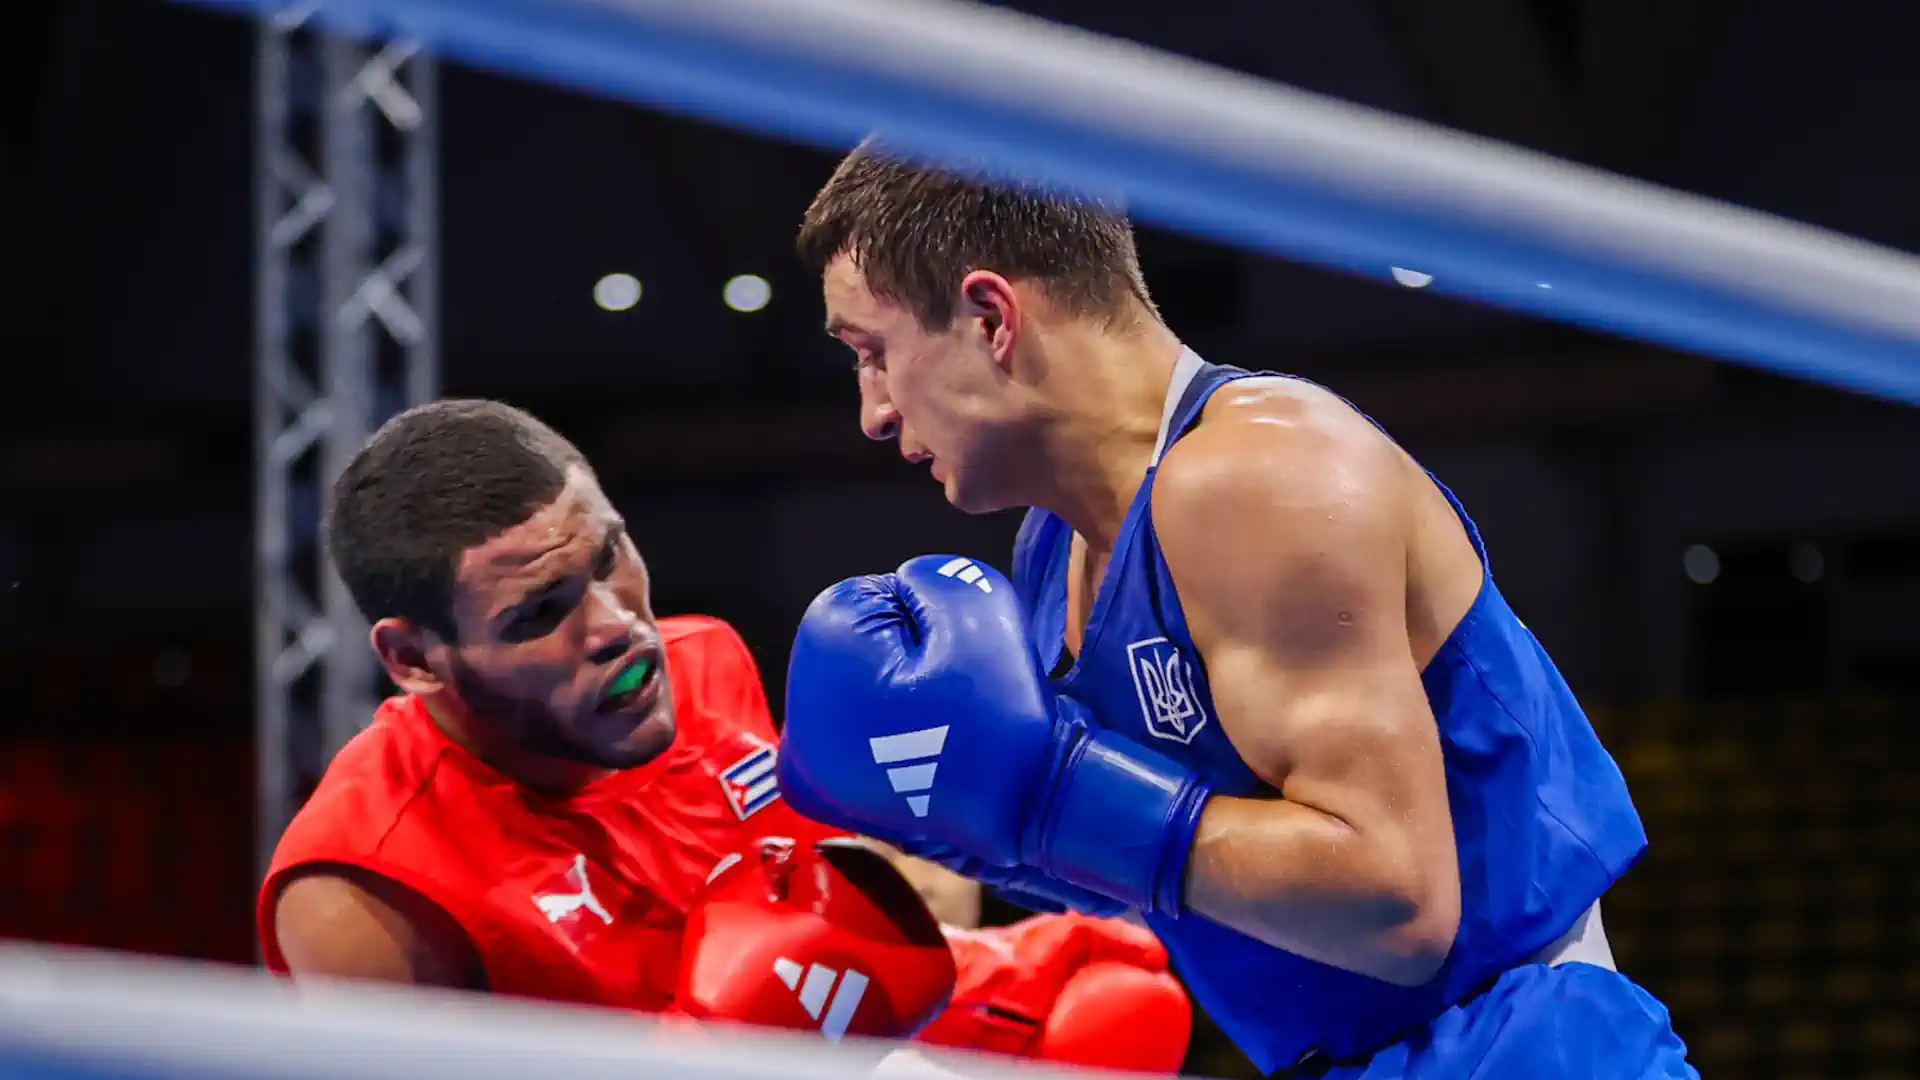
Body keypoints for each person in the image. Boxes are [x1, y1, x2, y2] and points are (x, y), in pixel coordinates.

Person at [776, 140, 1697, 1077]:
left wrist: (1053, 797)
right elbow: (1197, 868)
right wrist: (991, 838)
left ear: (989, 316)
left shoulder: (1259, 475)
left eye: (875, 354)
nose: (874, 411)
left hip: (1518, 1044)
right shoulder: (1055, 551)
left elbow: (1400, 905)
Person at [260, 398, 1188, 1067]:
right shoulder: (361, 887)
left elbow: (854, 917)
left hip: (860, 1047)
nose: (617, 624)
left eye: (609, 555)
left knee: (1119, 989)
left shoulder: (705, 659)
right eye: (538, 611)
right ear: (415, 658)